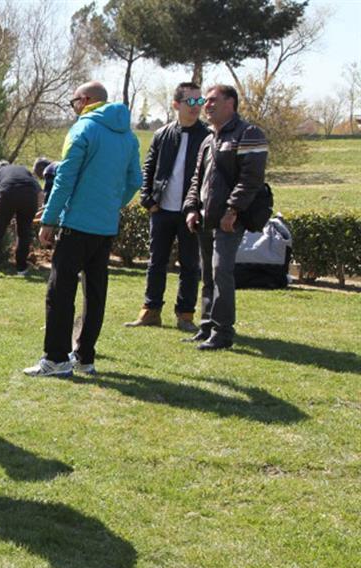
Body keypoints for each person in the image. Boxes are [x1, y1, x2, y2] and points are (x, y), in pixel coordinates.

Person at [24, 82, 142, 377]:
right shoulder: (128, 137)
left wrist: (49, 219)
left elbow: (64, 179)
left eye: (73, 101)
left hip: (75, 224)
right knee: (95, 292)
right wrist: (111, 205)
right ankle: (85, 358)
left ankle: (56, 359)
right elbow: (135, 181)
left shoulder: (82, 130)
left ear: (86, 100)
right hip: (104, 227)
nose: (73, 107)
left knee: (60, 292)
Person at [183, 83, 269, 351]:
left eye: (212, 101)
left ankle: (223, 332)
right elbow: (198, 178)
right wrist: (191, 207)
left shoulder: (249, 133)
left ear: (230, 103)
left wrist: (233, 210)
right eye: (205, 101)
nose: (206, 105)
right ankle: (207, 325)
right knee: (207, 273)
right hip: (206, 218)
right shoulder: (209, 138)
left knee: (222, 272)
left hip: (229, 219)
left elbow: (250, 179)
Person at [125, 82, 209, 332]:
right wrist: (147, 199)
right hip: (161, 210)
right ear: (176, 104)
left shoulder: (208, 136)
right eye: (190, 102)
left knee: (190, 266)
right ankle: (150, 311)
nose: (196, 107)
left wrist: (199, 207)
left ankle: (185, 316)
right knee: (156, 262)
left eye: (199, 101)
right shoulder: (162, 134)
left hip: (190, 213)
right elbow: (149, 167)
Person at [0, 160, 44, 277]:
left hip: (7, 194)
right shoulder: (25, 171)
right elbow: (40, 193)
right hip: (29, 198)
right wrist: (36, 211)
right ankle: (22, 269)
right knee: (24, 234)